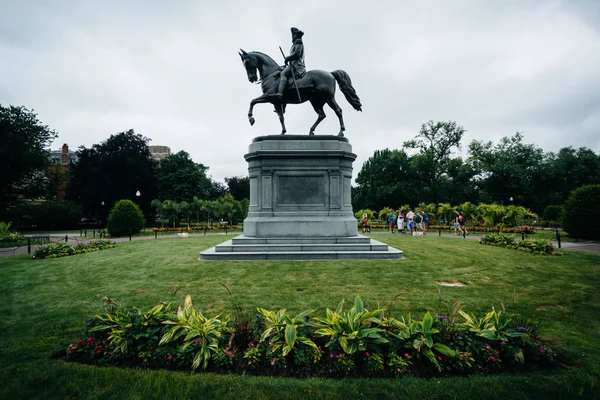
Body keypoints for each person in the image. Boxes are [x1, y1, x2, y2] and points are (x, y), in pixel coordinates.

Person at [275, 27, 306, 98]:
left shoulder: (298, 41)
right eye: (292, 35)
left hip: (297, 65)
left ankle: (280, 92)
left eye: (293, 35)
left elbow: (297, 54)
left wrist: (287, 58)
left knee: (283, 73)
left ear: (296, 35)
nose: (292, 36)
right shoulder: (295, 43)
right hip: (293, 64)